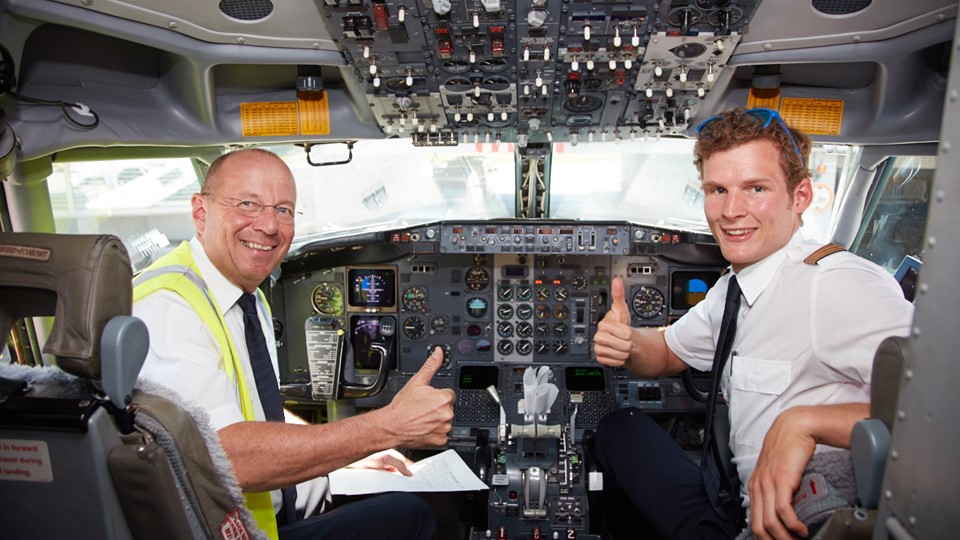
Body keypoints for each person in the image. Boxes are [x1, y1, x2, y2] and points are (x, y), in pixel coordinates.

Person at [592, 108, 914, 540]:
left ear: (800, 197)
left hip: (794, 521)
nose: (731, 211)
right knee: (620, 428)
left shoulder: (838, 286)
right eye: (717, 189)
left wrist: (805, 423)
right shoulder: (735, 288)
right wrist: (629, 344)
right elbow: (668, 352)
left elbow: (937, 412)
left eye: (755, 188)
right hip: (738, 504)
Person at [132, 148, 455, 540]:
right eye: (247, 204)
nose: (269, 226)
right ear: (200, 212)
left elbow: (257, 411)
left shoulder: (247, 295)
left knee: (434, 500)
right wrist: (386, 427)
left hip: (283, 501)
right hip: (243, 529)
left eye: (283, 210)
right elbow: (229, 458)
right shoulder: (167, 307)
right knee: (414, 515)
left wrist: (348, 456)